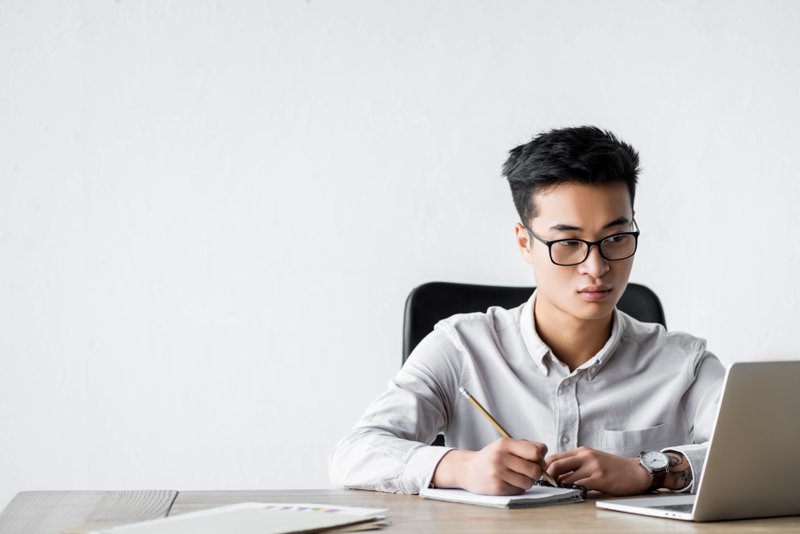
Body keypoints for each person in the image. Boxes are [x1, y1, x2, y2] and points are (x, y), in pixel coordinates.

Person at [329, 126, 725, 496]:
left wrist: (650, 470)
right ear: (524, 243)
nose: (597, 267)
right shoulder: (461, 347)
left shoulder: (684, 364)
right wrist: (460, 467)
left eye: (616, 238)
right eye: (568, 242)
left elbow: (777, 457)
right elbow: (354, 455)